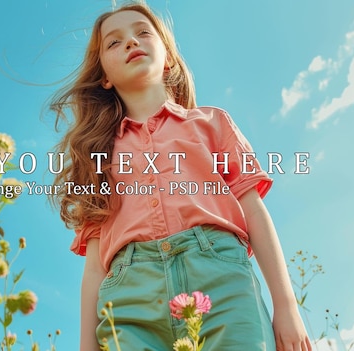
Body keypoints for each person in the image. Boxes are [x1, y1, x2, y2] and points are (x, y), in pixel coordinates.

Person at [48, 2, 311, 351]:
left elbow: (254, 211)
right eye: (114, 42)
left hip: (222, 283)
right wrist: (87, 346)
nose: (130, 42)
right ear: (104, 78)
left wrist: (287, 307)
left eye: (142, 32)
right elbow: (95, 266)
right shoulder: (96, 156)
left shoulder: (212, 123)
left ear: (168, 57)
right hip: (130, 299)